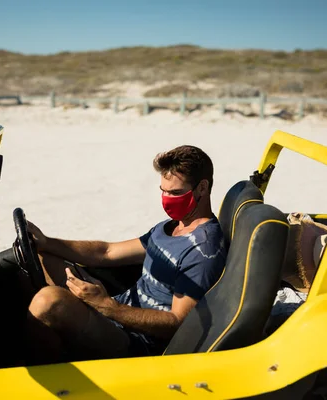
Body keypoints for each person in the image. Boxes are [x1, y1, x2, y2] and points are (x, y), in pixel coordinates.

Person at [23, 145, 227, 364]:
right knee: (44, 257)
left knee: (49, 301)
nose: (167, 198)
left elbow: (178, 323)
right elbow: (106, 252)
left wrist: (107, 306)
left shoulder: (201, 250)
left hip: (136, 341)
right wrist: (46, 242)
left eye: (176, 193)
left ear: (202, 188)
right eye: (163, 191)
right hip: (118, 310)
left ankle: (35, 370)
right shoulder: (170, 227)